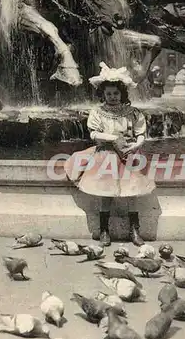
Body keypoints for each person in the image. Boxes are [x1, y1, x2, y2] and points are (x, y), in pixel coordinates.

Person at [64, 62, 155, 247]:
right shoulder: (98, 112)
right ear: (103, 95)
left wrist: (135, 146)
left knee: (132, 192)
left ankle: (134, 230)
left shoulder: (133, 113)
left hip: (128, 155)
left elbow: (141, 134)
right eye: (109, 94)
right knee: (106, 193)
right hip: (106, 155)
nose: (112, 97)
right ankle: (104, 230)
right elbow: (93, 134)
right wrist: (112, 138)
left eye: (116, 93)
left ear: (122, 94)